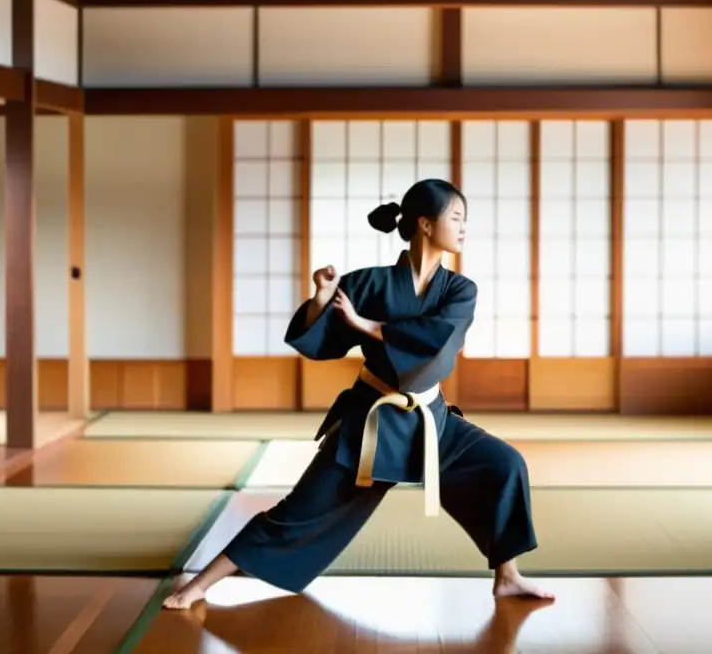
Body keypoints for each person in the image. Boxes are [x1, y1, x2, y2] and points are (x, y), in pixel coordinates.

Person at [163, 178, 553, 610]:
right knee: (299, 510)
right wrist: (321, 299)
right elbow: (322, 340)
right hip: (371, 425)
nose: (464, 228)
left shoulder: (460, 290)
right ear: (425, 224)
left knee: (503, 465)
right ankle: (199, 585)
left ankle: (508, 576)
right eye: (457, 218)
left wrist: (366, 325)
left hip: (431, 420)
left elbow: (439, 341)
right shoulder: (368, 283)